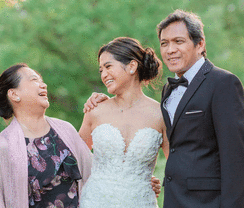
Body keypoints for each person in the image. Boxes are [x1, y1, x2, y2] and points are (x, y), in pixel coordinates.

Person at [85, 10, 244, 208]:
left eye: (179, 41)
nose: (170, 50)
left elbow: (236, 158)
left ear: (200, 44)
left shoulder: (223, 83)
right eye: (164, 43)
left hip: (208, 202)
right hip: (173, 199)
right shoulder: (169, 91)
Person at [0, 64, 92, 208]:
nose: (43, 85)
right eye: (34, 80)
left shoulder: (66, 129)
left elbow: (93, 173)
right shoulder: (3, 146)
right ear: (14, 94)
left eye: (42, 81)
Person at [78, 37, 169, 208]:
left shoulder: (160, 115)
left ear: (132, 66)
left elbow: (177, 168)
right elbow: (74, 160)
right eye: (100, 70)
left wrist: (147, 181)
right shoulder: (95, 110)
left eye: (108, 66)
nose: (104, 75)